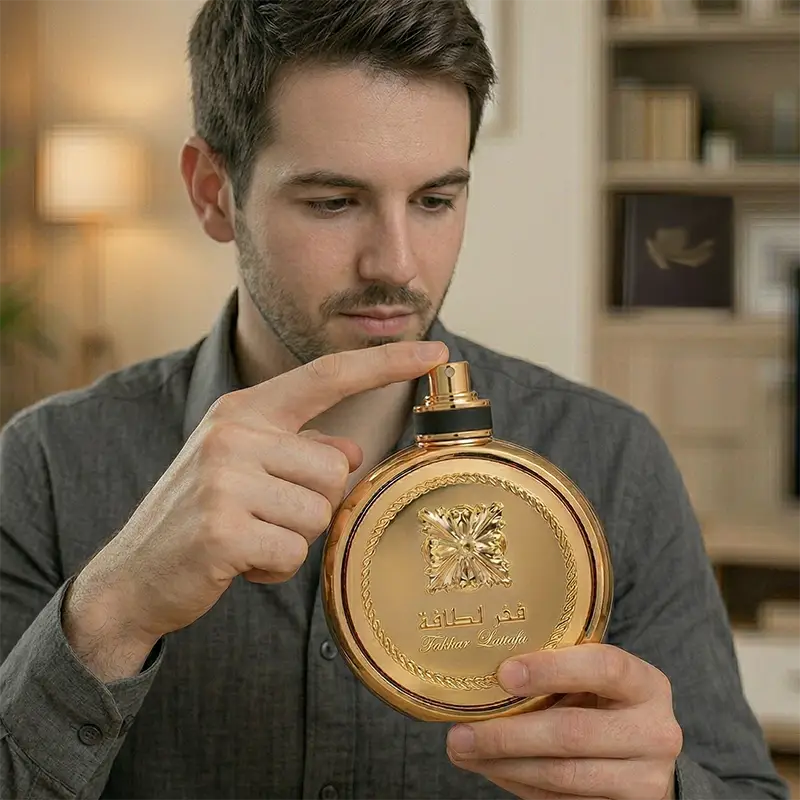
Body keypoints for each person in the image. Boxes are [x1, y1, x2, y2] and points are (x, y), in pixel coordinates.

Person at [0, 1, 790, 798]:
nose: (398, 264)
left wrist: (663, 789)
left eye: (435, 200)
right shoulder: (46, 467)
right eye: (333, 202)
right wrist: (112, 614)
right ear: (214, 193)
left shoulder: (613, 458)